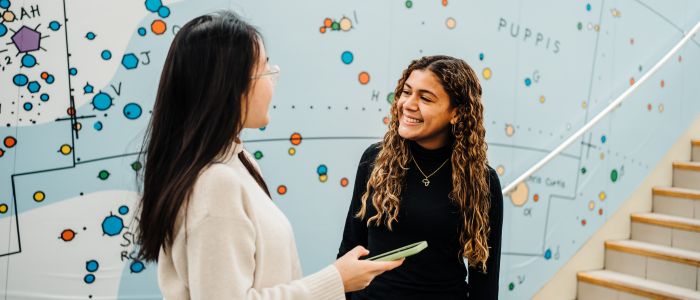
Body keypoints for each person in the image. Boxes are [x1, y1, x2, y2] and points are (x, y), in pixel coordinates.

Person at [135, 11, 403, 300]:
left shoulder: (239, 161)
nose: (273, 80)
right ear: (231, 86)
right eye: (265, 70)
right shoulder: (215, 183)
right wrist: (335, 280)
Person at [338, 55, 503, 299]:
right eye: (406, 92)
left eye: (425, 98)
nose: (408, 104)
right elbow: (351, 247)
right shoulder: (375, 160)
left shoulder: (481, 181)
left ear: (456, 113)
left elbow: (484, 280)